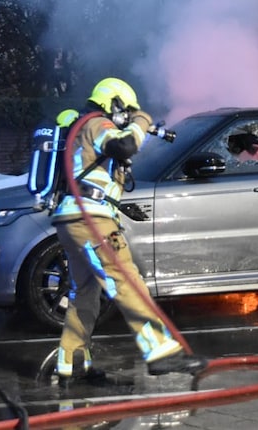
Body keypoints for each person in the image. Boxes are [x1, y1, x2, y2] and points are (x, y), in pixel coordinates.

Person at [51, 77, 207, 382]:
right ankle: (160, 352)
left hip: (72, 220)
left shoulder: (79, 127)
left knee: (85, 292)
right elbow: (124, 145)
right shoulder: (97, 123)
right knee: (126, 281)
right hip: (92, 220)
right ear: (114, 103)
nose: (128, 115)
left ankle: (72, 362)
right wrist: (141, 119)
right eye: (126, 109)